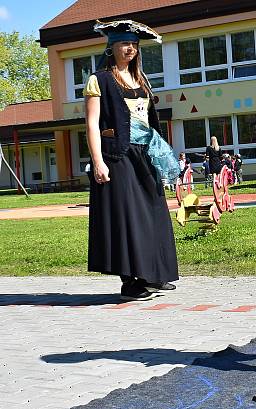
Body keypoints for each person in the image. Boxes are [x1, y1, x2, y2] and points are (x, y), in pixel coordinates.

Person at [84, 20, 178, 301]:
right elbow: (91, 125)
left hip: (145, 154)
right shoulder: (98, 79)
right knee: (128, 218)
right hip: (118, 156)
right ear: (111, 47)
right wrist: (98, 161)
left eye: (134, 45)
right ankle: (130, 282)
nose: (130, 49)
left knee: (153, 213)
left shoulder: (142, 80)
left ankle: (154, 275)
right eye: (125, 44)